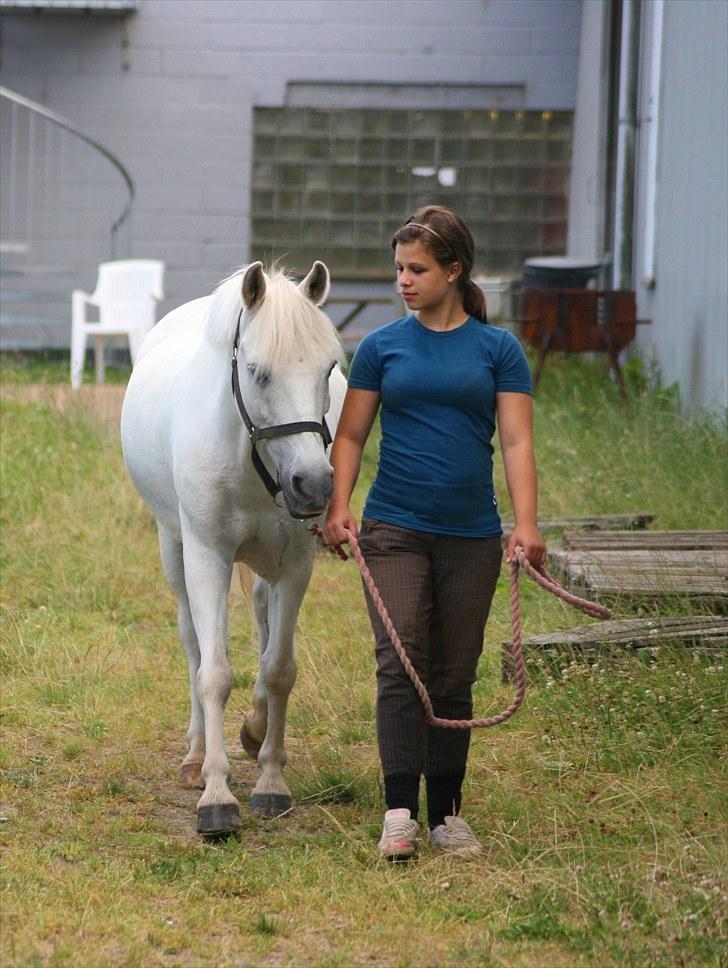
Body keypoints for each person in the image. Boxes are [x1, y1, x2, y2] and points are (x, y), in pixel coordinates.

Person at [322, 204, 546, 860]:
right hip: (394, 528)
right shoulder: (382, 348)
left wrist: (526, 525)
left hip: (472, 535)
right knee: (401, 661)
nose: (403, 281)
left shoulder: (498, 350)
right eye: (398, 269)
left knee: (453, 674)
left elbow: (516, 440)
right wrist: (340, 505)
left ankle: (446, 813)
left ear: (454, 270)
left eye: (417, 269)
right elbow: (353, 434)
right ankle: (399, 814)